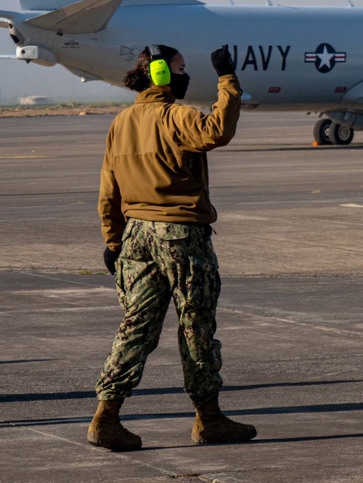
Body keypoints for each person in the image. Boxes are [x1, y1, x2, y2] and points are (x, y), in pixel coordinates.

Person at [88, 43, 256, 452]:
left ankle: (105, 417)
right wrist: (227, 79)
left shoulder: (121, 123)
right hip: (180, 235)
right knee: (196, 327)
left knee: (136, 327)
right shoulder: (176, 116)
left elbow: (108, 190)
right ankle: (209, 418)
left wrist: (113, 241)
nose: (184, 76)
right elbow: (219, 130)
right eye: (180, 69)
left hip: (135, 237)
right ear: (162, 75)